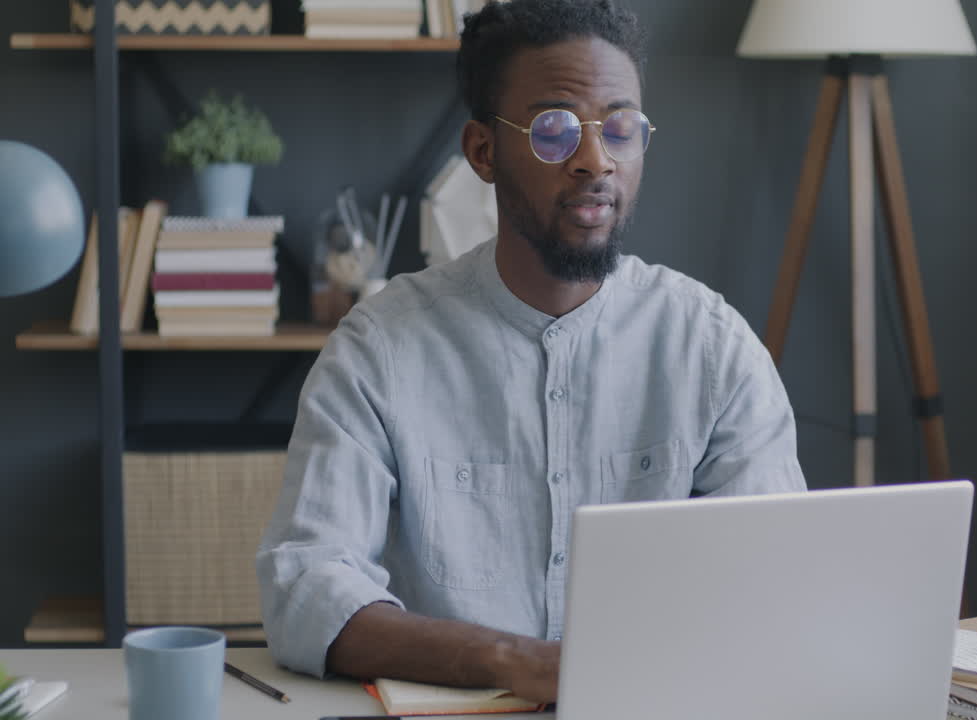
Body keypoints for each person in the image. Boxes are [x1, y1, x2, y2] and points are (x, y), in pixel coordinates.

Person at [256, 0, 806, 704]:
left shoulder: (710, 347)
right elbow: (305, 587)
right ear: (484, 152)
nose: (595, 160)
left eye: (621, 128)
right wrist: (512, 661)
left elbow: (779, 575)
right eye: (554, 131)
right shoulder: (380, 348)